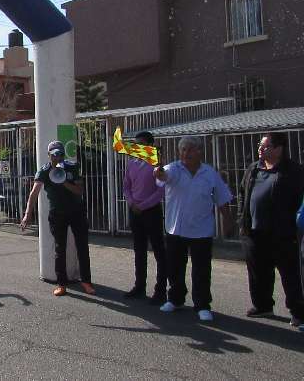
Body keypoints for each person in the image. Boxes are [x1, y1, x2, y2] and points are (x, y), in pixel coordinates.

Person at [154, 136, 233, 322]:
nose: (186, 153)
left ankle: (202, 304)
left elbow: (222, 198)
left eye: (190, 149)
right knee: (175, 268)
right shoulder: (174, 168)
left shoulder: (209, 173)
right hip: (176, 228)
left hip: (201, 230)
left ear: (199, 151)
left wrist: (228, 220)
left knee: (202, 270)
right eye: (183, 150)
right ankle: (175, 299)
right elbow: (162, 176)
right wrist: (158, 172)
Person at [239, 132, 304, 327]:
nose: (260, 149)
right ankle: (262, 305)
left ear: (278, 149)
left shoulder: (294, 172)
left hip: (283, 233)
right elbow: (243, 194)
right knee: (258, 271)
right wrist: (242, 220)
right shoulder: (253, 169)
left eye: (265, 146)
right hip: (254, 231)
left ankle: (298, 311)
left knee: (290, 274)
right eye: (260, 146)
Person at [21, 141, 94, 297]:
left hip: (77, 212)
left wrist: (64, 182)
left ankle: (86, 282)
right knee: (60, 249)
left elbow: (79, 190)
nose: (58, 158)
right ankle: (61, 284)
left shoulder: (72, 167)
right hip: (57, 214)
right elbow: (34, 193)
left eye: (60, 154)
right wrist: (28, 214)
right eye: (54, 155)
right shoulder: (44, 171)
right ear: (49, 155)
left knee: (82, 246)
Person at [122, 131, 167, 304]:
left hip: (151, 212)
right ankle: (139, 286)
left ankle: (160, 291)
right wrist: (132, 202)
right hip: (135, 211)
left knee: (158, 251)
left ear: (150, 146)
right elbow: (126, 185)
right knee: (139, 250)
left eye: (140, 144)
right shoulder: (131, 163)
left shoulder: (157, 163)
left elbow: (161, 191)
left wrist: (143, 205)